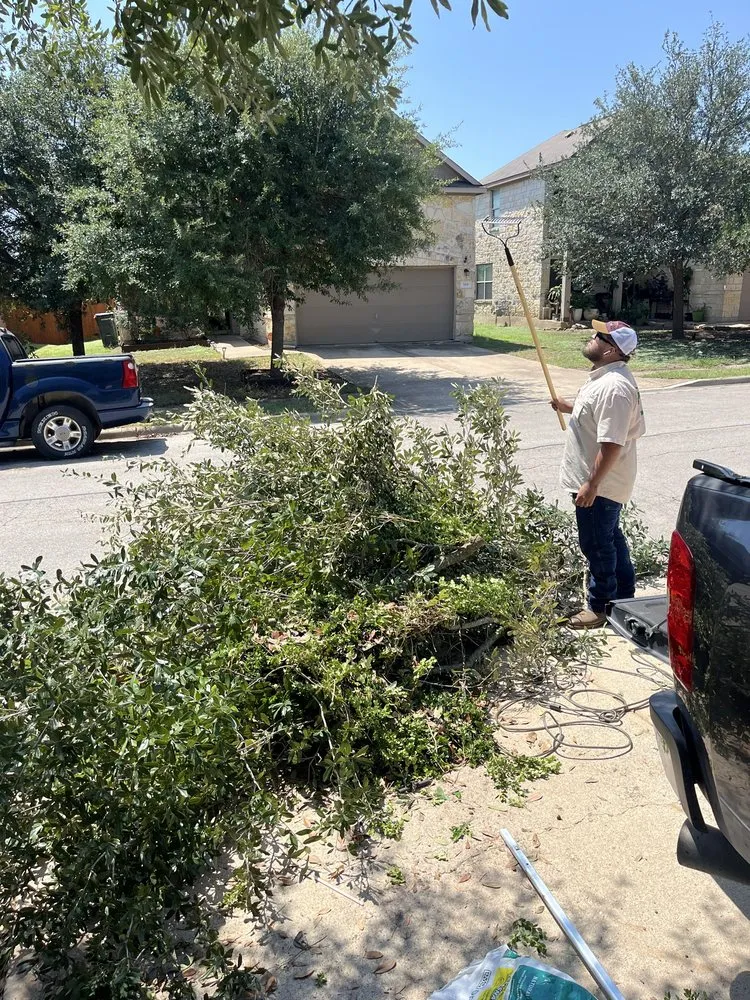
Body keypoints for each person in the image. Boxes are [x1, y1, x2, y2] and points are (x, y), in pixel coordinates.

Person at [551, 320, 646, 629]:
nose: (592, 338)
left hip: (601, 485)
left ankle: (600, 607)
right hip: (600, 482)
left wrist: (592, 484)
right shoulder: (604, 378)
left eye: (599, 336)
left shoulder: (615, 388)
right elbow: (596, 413)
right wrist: (568, 407)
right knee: (610, 538)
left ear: (612, 350)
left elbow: (612, 443)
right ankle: (624, 597)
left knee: (597, 544)